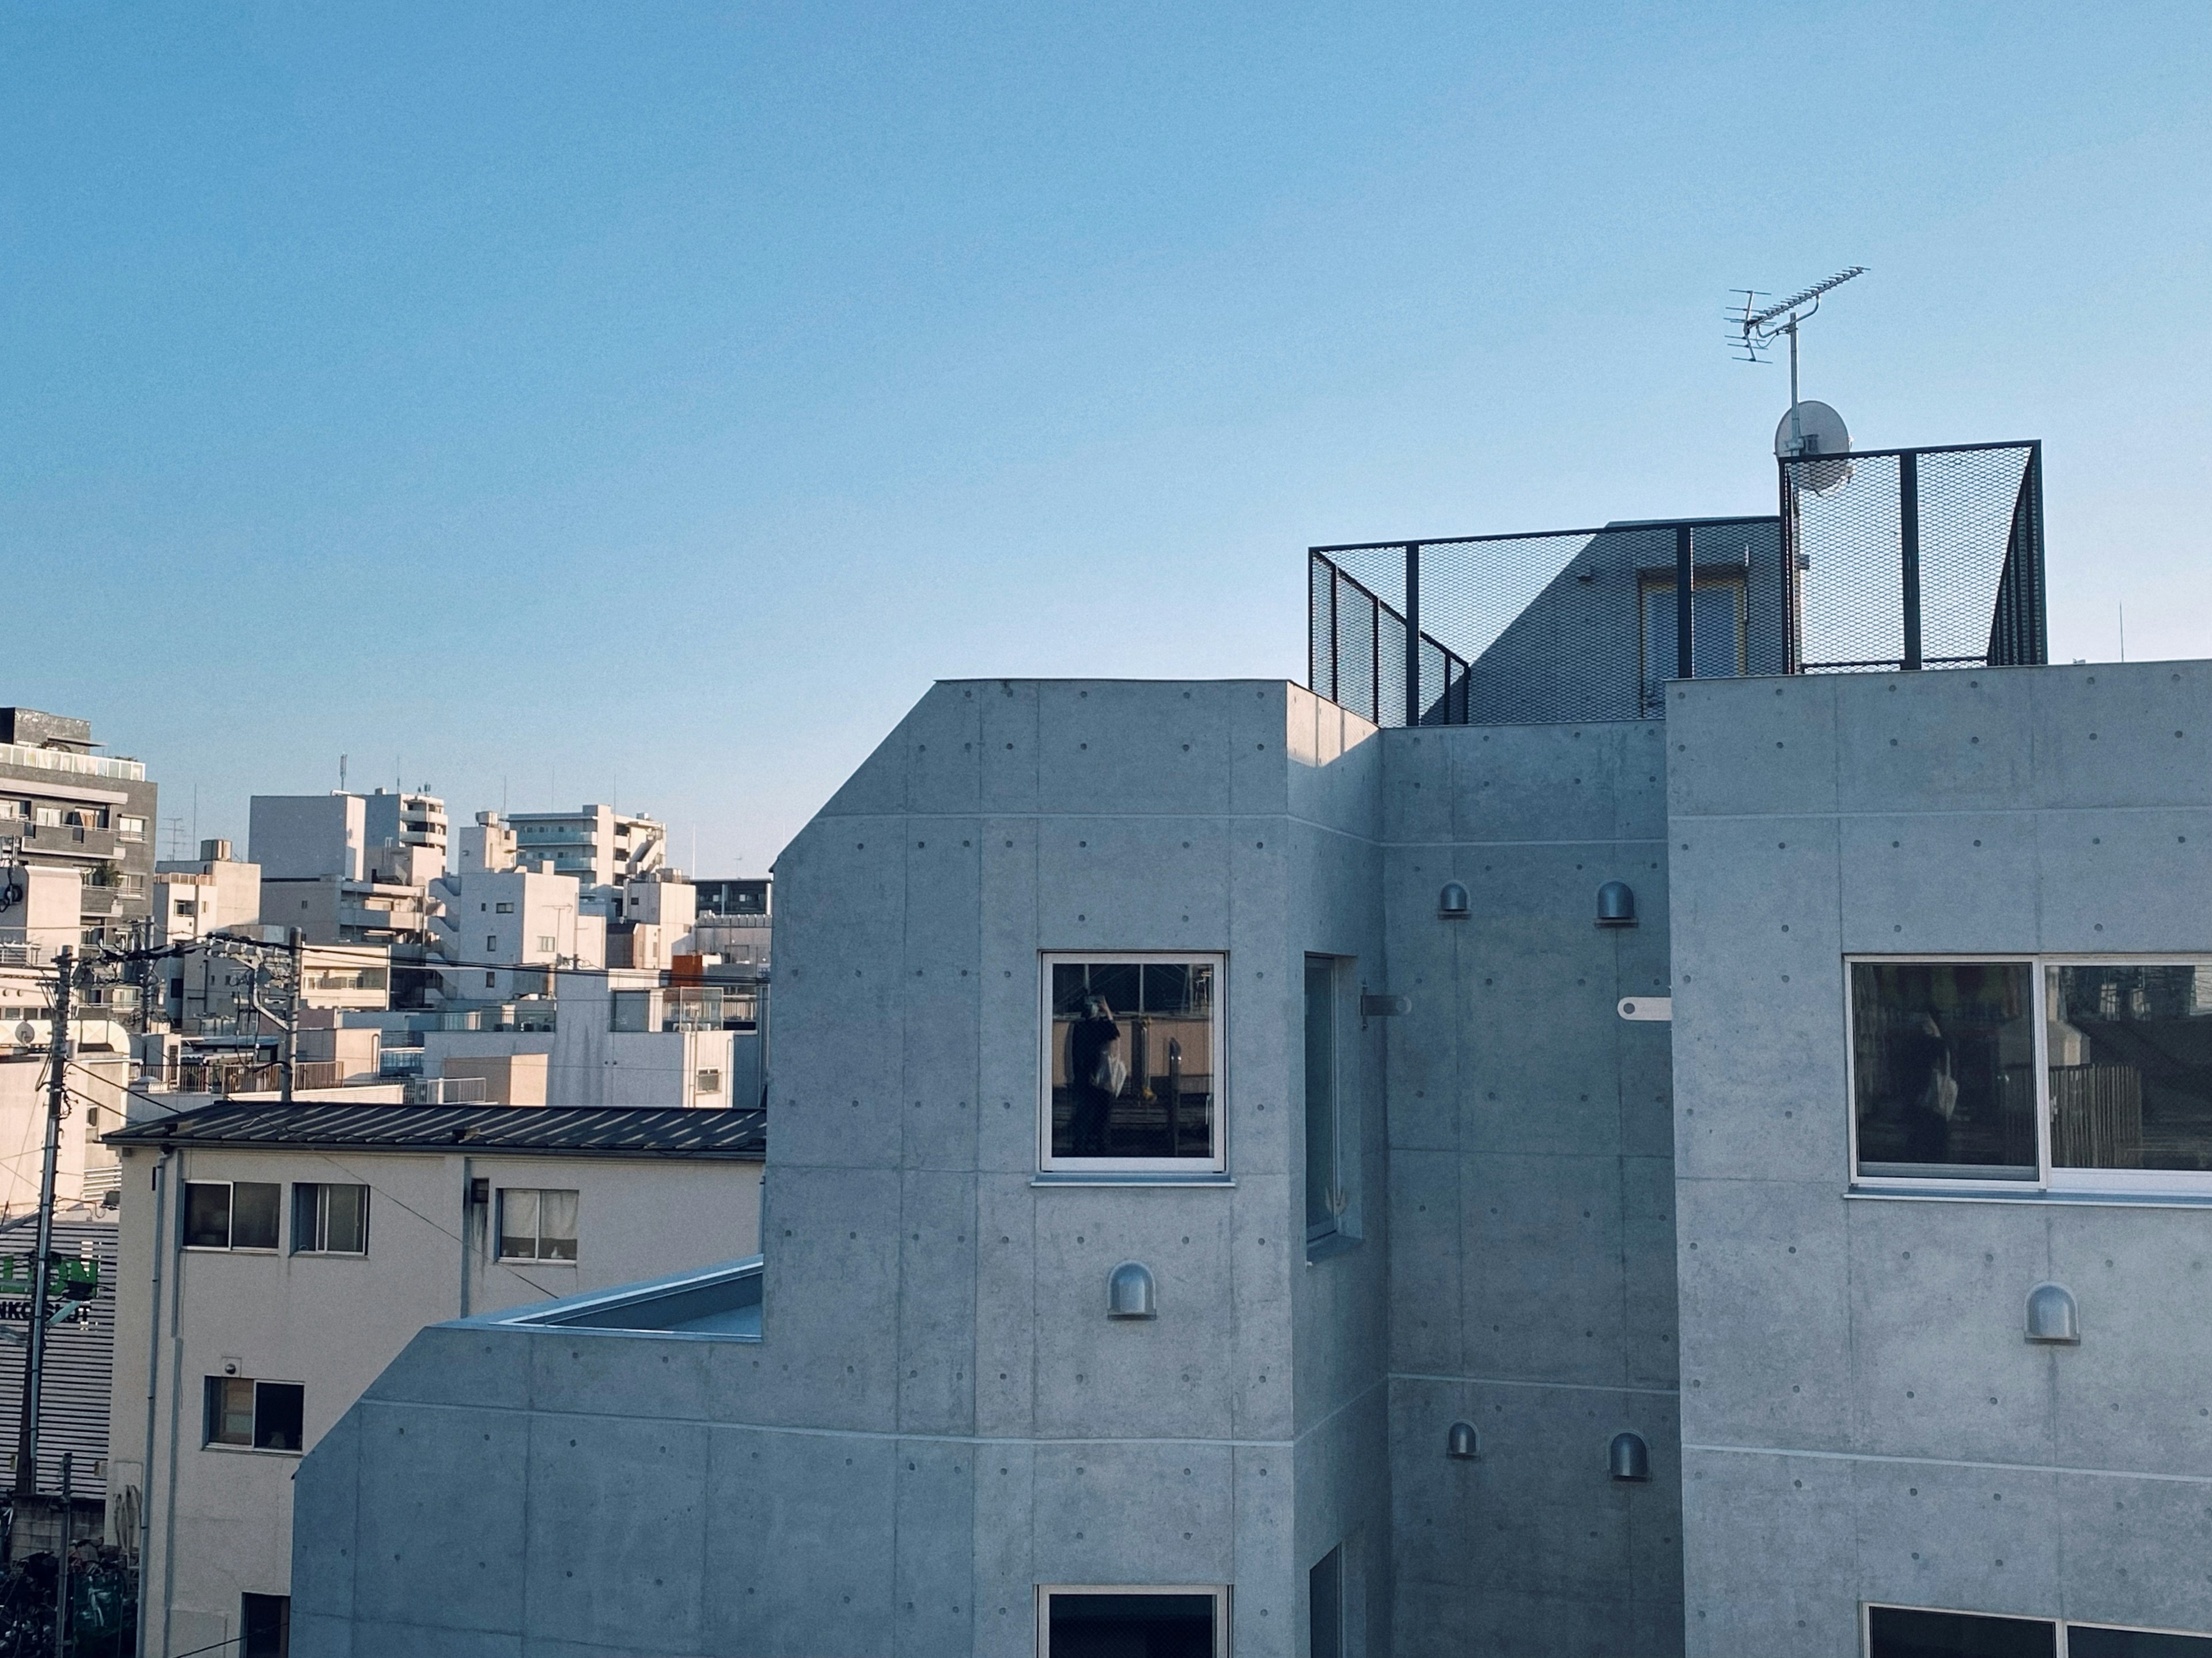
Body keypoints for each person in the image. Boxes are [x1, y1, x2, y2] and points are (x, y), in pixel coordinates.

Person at [1066, 992, 1124, 1157]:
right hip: (1092, 1077)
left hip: (1098, 1077)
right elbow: (1079, 1055)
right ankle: (1088, 1148)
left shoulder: (1090, 1026)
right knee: (1089, 1116)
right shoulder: (1083, 1027)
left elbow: (1114, 1033)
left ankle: (1096, 1148)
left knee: (1098, 1116)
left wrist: (1107, 1012)